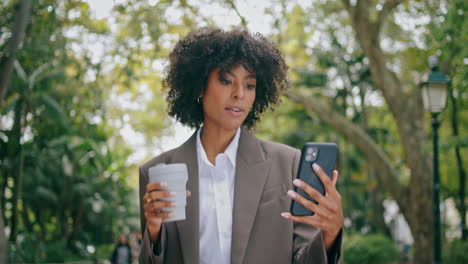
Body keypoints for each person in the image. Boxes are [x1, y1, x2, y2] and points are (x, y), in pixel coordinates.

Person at [139, 27, 344, 264]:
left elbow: (305, 259)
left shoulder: (288, 164)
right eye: (226, 81)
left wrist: (330, 234)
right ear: (199, 86)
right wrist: (153, 232)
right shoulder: (157, 172)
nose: (239, 94)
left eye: (249, 85)